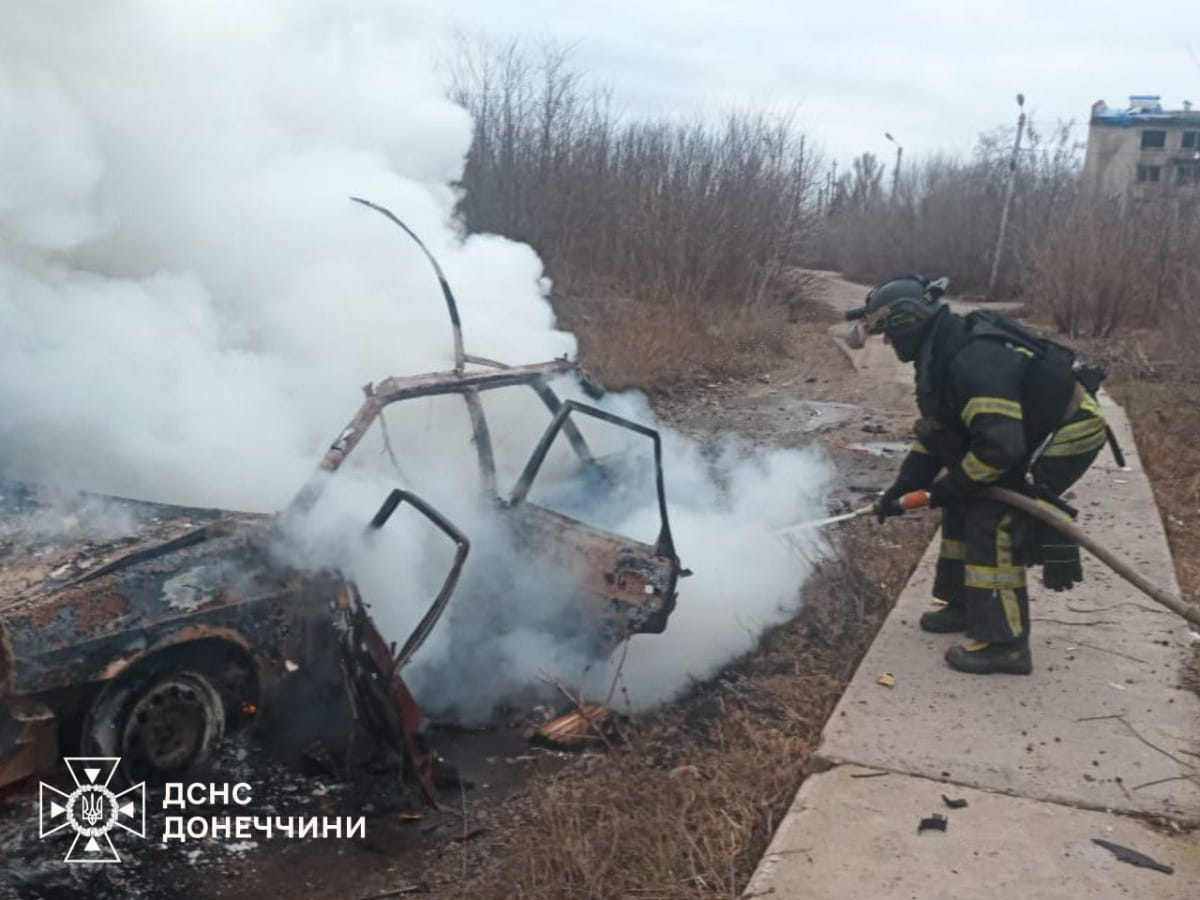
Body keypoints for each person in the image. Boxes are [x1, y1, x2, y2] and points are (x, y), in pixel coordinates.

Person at [845, 275, 1111, 675]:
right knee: (964, 502)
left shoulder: (971, 362)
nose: (886, 343)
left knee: (994, 518)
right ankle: (966, 606)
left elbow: (1000, 451)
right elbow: (940, 437)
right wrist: (900, 491)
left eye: (888, 334)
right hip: (1016, 432)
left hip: (1069, 431)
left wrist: (945, 490)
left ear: (908, 324)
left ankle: (1006, 645)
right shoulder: (939, 354)